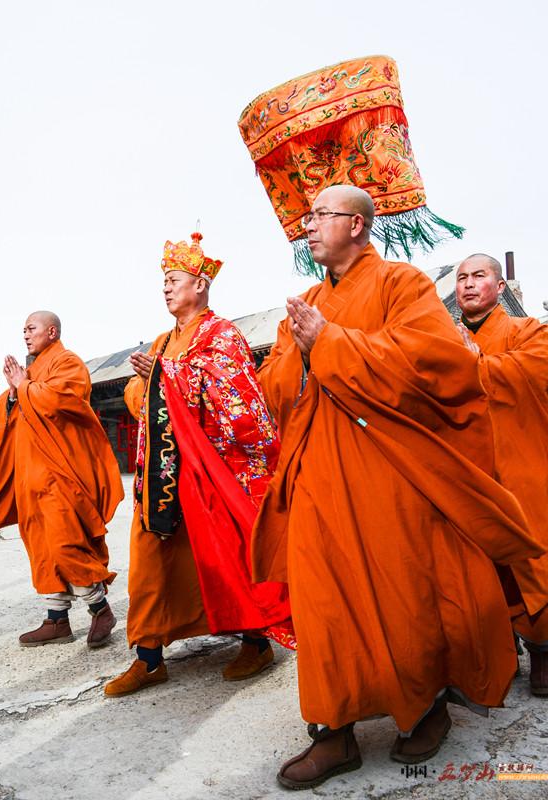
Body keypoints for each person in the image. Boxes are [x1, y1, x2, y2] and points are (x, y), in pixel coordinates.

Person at [250, 186, 544, 790]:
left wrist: (330, 343)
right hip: (319, 476)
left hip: (389, 474)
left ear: (356, 225)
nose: (307, 228)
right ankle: (332, 732)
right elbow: (273, 386)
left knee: (403, 595)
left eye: (319, 217)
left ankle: (425, 706)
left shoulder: (402, 285)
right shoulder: (305, 300)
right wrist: (303, 356)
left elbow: (434, 363)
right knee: (323, 604)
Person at [104, 232, 292, 698]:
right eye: (163, 281)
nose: (166, 288)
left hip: (212, 468)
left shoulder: (221, 333)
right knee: (152, 561)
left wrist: (166, 377)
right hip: (162, 470)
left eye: (174, 280)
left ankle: (256, 640)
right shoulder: (164, 339)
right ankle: (149, 658)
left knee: (227, 554)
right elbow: (137, 397)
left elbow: (238, 399)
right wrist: (149, 383)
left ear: (201, 285)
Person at [0, 311, 124, 648]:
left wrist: (24, 386)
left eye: (32, 328)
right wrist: (12, 395)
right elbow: (8, 410)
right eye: (23, 329)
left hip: (59, 475)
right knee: (40, 547)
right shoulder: (34, 370)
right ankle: (56, 619)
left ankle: (100, 609)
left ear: (51, 331)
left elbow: (61, 400)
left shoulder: (68, 362)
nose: (25, 334)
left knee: (66, 541)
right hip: (29, 476)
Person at [456, 253, 548, 696]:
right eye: (461, 278)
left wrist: (476, 364)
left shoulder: (525, 330)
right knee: (483, 569)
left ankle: (545, 650)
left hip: (520, 463)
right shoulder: (441, 336)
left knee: (532, 558)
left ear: (499, 286)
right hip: (469, 472)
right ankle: (502, 650)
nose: (469, 284)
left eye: (479, 276)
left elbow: (537, 369)